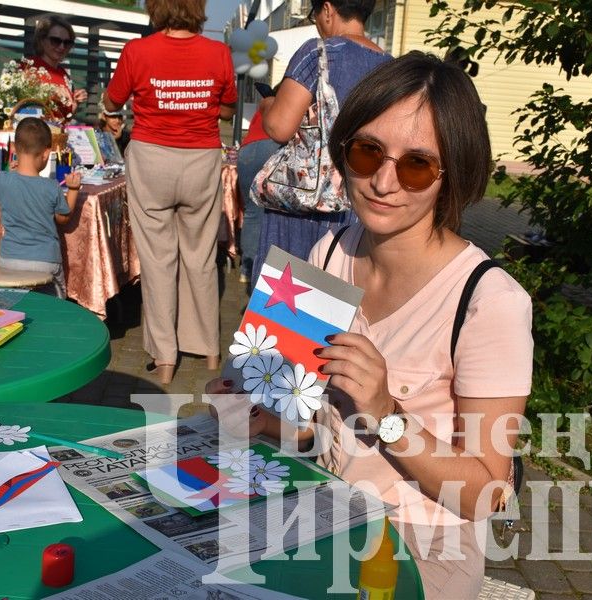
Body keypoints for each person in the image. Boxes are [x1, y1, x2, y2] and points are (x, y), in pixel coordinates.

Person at [210, 53, 533, 598]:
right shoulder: (329, 250)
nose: (384, 181)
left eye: (416, 165)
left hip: (419, 551)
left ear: (453, 172)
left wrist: (387, 414)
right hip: (323, 514)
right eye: (368, 152)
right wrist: (261, 421)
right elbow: (320, 431)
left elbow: (485, 495)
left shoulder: (488, 302)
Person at [103, 0, 237, 385]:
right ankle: (210, 349)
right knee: (200, 257)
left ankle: (165, 359)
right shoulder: (219, 53)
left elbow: (113, 100)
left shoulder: (137, 51)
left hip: (152, 159)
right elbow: (227, 110)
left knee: (159, 261)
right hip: (201, 159)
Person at [251, 0, 390, 285]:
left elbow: (279, 127)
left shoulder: (318, 53)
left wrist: (268, 105)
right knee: (335, 301)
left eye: (315, 14)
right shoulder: (391, 68)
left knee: (284, 313)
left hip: (305, 206)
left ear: (327, 9)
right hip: (358, 206)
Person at [0, 117, 81, 298]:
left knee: (12, 305)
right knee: (54, 305)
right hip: (45, 261)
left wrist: (12, 172)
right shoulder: (51, 186)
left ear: (14, 148)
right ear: (47, 153)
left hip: (9, 259)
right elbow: (63, 218)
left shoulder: (1, 179)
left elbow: (4, 198)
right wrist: (73, 190)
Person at [236, 107, 279, 290]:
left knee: (252, 213)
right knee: (273, 215)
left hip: (247, 149)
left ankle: (247, 269)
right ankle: (264, 271)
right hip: (272, 147)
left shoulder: (265, 104)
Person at [22, 15, 87, 122]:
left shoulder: (63, 74)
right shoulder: (28, 67)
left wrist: (75, 103)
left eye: (67, 43)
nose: (62, 47)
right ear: (42, 40)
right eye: (55, 41)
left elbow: (65, 118)